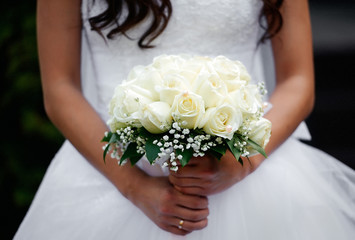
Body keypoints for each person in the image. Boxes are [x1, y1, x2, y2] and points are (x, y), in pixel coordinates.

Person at [15, 0, 355, 239]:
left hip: (253, 173)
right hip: (110, 173)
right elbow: (60, 88)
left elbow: (298, 80)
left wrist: (244, 162)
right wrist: (135, 187)